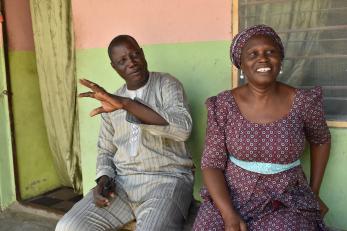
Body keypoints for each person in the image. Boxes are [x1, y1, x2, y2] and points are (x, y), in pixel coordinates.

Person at [193, 25, 331, 231]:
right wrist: (228, 214)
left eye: (270, 52)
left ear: (280, 59)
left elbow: (321, 140)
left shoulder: (303, 101)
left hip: (286, 199)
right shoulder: (223, 105)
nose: (263, 59)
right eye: (253, 54)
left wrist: (314, 192)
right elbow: (212, 163)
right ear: (241, 64)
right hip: (231, 195)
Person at [55, 35, 194, 231]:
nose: (131, 63)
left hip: (167, 181)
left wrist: (126, 104)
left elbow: (182, 130)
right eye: (122, 61)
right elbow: (105, 150)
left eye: (135, 55)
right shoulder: (110, 101)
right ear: (114, 67)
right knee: (69, 226)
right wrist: (103, 181)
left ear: (143, 54)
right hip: (122, 185)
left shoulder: (167, 84)